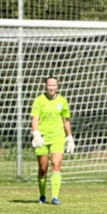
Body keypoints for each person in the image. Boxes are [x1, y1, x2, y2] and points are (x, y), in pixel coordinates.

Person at [31, 76, 75, 205]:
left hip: (57, 137)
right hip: (43, 138)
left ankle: (54, 196)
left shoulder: (62, 101)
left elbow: (65, 120)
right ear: (46, 86)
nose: (51, 87)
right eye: (49, 85)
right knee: (43, 168)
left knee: (56, 164)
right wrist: (36, 133)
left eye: (53, 85)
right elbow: (35, 118)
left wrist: (69, 137)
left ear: (57, 86)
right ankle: (42, 195)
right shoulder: (39, 100)